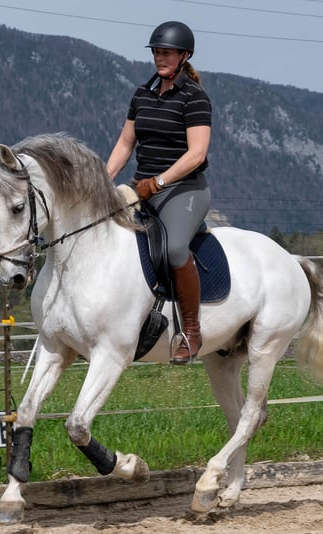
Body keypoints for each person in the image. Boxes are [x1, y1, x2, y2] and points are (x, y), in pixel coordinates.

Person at [106, 21, 212, 365]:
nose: (159, 58)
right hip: (141, 190)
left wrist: (160, 182)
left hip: (183, 190)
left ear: (184, 56)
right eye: (156, 52)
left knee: (175, 247)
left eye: (165, 53)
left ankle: (191, 332)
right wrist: (103, 180)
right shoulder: (142, 94)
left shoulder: (194, 98)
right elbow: (125, 143)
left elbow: (196, 154)